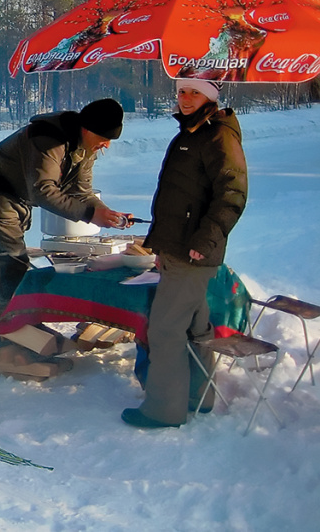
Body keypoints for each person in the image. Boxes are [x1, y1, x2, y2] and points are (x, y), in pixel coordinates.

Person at [0, 98, 133, 375]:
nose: (106, 145)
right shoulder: (49, 139)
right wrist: (88, 214)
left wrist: (102, 211)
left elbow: (80, 190)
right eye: (104, 138)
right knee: (11, 266)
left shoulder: (86, 147)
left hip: (17, 194)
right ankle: (10, 351)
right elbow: (43, 190)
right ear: (87, 128)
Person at [122, 78, 247, 428]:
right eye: (182, 91)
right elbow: (179, 198)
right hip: (178, 248)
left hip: (194, 251)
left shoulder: (218, 136)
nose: (186, 98)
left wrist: (204, 241)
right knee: (194, 326)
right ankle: (197, 397)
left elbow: (232, 194)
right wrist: (161, 247)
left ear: (210, 96)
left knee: (165, 330)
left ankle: (163, 409)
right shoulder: (191, 134)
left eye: (195, 92)